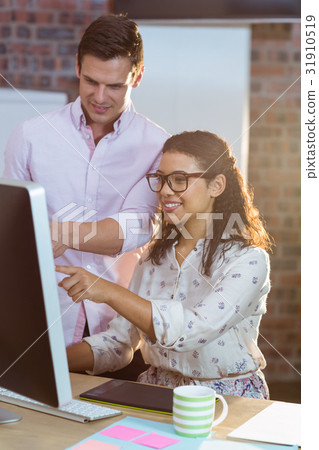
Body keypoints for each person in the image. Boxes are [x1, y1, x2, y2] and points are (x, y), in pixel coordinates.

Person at [57, 130, 273, 399]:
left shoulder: (248, 260)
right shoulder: (153, 257)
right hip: (156, 393)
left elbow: (190, 331)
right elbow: (118, 344)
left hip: (228, 400)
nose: (165, 191)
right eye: (160, 179)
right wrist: (43, 362)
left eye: (179, 180)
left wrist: (109, 292)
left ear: (216, 186)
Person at [3, 14, 169, 347]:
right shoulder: (31, 136)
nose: (100, 97)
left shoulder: (158, 146)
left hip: (114, 323)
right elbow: (9, 228)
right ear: (78, 67)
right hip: (40, 313)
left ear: (137, 78)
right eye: (91, 81)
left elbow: (135, 228)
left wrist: (59, 232)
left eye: (115, 85)